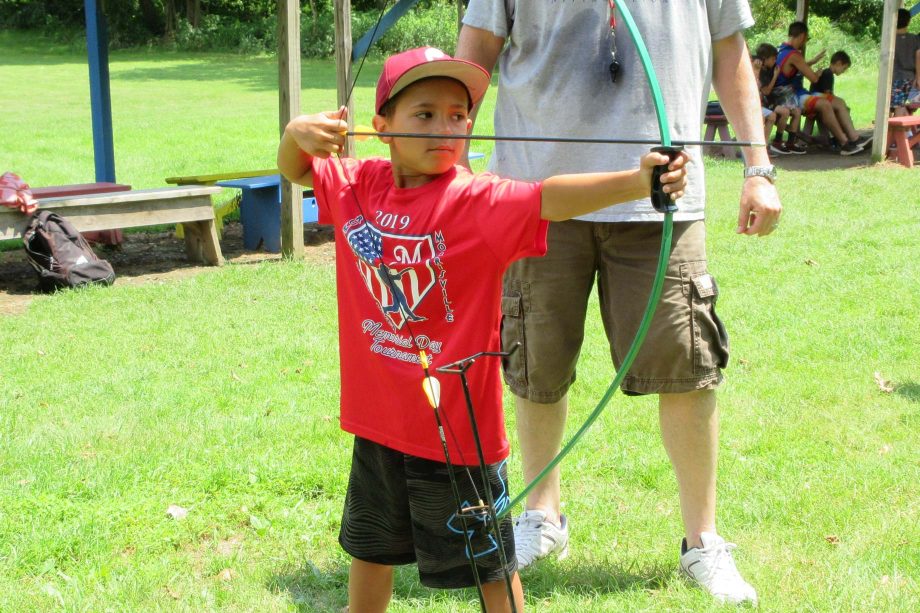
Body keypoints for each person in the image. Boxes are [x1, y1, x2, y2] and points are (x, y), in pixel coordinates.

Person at [276, 46, 689, 613]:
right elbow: (297, 167)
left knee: (488, 564)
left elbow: (550, 199)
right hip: (378, 418)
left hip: (456, 434)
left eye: (457, 115)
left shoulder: (475, 198)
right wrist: (296, 133)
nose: (446, 128)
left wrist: (637, 181)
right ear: (382, 128)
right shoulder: (359, 184)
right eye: (423, 115)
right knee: (371, 545)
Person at [457, 0, 780, 606]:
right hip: (536, 195)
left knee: (688, 365)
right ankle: (541, 519)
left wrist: (759, 168)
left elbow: (729, 52)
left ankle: (702, 542)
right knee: (536, 363)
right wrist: (449, 164)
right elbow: (473, 58)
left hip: (664, 201)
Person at [773, 21, 868, 155]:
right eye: (806, 39)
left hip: (796, 93)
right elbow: (813, 78)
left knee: (838, 101)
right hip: (790, 97)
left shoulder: (781, 49)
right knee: (824, 104)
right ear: (802, 36)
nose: (804, 42)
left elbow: (797, 67)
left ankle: (855, 138)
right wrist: (816, 73)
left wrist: (811, 62)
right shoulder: (794, 55)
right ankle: (844, 142)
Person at [755, 44, 806, 155]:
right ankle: (777, 142)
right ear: (765, 59)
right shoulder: (761, 71)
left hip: (774, 99)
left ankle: (790, 143)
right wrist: (775, 76)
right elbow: (766, 92)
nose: (775, 61)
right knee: (785, 112)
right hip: (766, 102)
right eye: (773, 59)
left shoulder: (770, 67)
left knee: (797, 111)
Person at [892, 9, 920, 117]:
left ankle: (900, 132)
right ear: (908, 22)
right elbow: (918, 56)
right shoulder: (914, 39)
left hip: (895, 77)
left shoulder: (890, 39)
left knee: (899, 106)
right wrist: (918, 77)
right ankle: (906, 132)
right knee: (905, 106)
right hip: (911, 78)